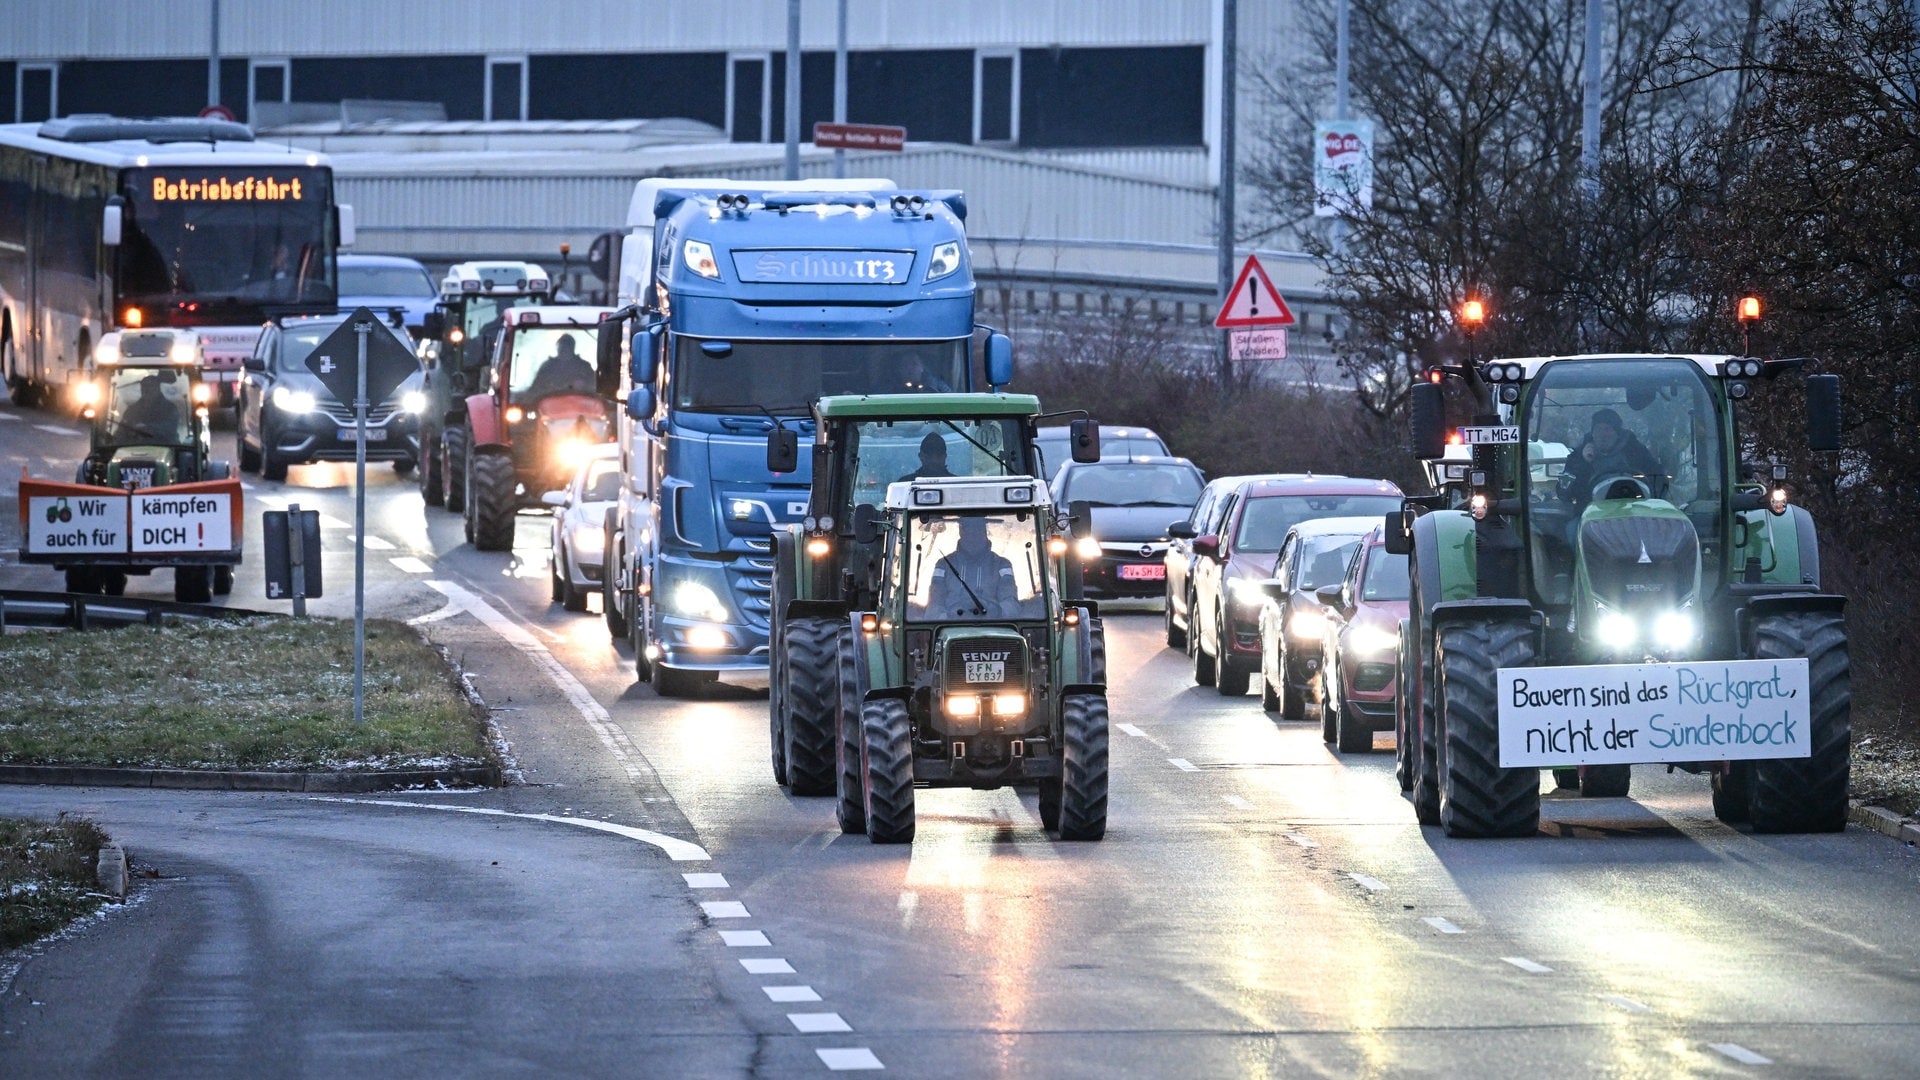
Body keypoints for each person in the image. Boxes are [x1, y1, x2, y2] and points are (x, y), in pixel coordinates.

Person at [920, 516, 1021, 618]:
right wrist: (950, 617)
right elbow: (934, 606)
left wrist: (993, 612)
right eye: (968, 529)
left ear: (984, 531)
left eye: (977, 529)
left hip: (994, 628)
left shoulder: (1001, 565)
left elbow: (1011, 604)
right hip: (951, 628)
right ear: (961, 531)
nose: (972, 535)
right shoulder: (943, 565)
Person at [1560, 407, 1661, 507]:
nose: (1602, 434)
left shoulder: (1637, 453)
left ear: (1618, 433)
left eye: (1608, 429)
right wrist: (1583, 462)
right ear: (1592, 433)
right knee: (1571, 524)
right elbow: (1563, 492)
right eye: (1598, 429)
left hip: (1635, 510)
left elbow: (1658, 481)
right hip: (1589, 513)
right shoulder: (1578, 456)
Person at [524, 334, 597, 401]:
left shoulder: (584, 367)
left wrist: (582, 386)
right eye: (562, 347)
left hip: (580, 407)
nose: (564, 349)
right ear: (558, 348)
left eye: (567, 346)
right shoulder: (548, 367)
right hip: (550, 406)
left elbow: (593, 388)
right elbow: (535, 388)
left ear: (572, 348)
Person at [119, 374, 183, 440]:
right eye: (144, 387)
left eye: (150, 387)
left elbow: (169, 428)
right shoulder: (132, 410)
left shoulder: (169, 408)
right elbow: (121, 431)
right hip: (134, 447)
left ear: (157, 389)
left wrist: (147, 428)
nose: (147, 390)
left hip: (167, 445)